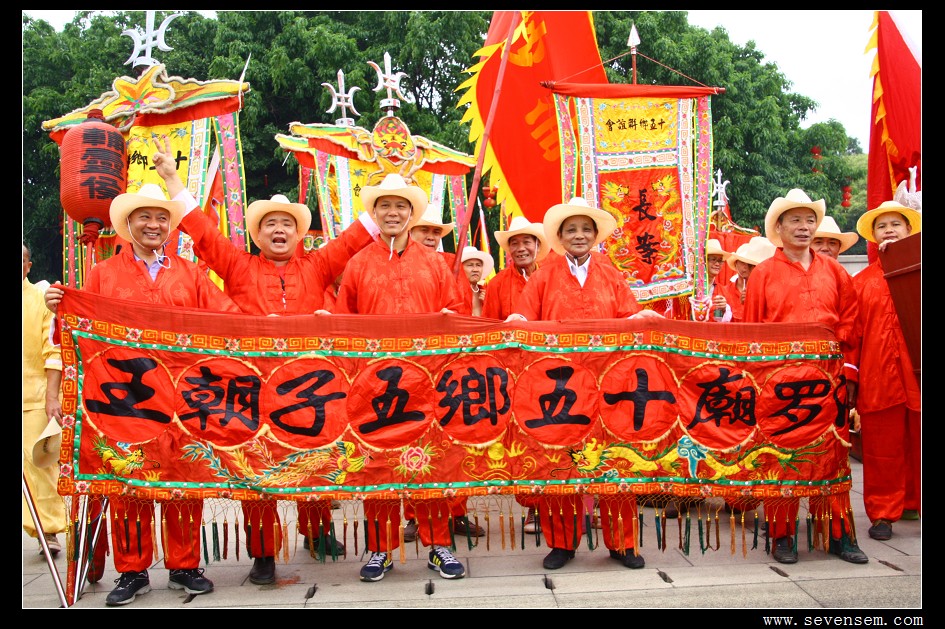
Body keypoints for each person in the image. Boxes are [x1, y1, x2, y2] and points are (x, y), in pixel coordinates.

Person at [150, 138, 378, 585]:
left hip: (308, 388)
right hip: (251, 391)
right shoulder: (238, 266)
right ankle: (263, 554)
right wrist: (173, 180)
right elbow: (203, 232)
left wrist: (390, 194)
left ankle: (318, 531)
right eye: (270, 224)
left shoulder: (317, 266)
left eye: (286, 224)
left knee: (315, 459)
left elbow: (353, 239)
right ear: (257, 235)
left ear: (298, 234)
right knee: (255, 469)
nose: (279, 230)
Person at [44, 183, 242, 605]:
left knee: (183, 477)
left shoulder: (190, 273)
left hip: (183, 397)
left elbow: (229, 319)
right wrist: (60, 308)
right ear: (128, 224)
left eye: (161, 218)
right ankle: (132, 571)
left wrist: (282, 327)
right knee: (128, 480)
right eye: (145, 217)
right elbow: (79, 333)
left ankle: (185, 565)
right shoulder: (103, 273)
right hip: (124, 399)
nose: (154, 225)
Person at [506, 196, 663, 571]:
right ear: (560, 237)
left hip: (608, 384)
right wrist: (515, 322)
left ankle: (623, 543)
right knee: (559, 462)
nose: (579, 235)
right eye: (571, 230)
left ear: (595, 236)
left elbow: (628, 316)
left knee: (614, 461)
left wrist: (643, 319)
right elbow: (524, 316)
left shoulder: (610, 273)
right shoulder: (545, 274)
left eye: (586, 229)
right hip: (558, 389)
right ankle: (561, 543)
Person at [332, 172, 467, 582]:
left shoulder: (436, 264)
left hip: (427, 383)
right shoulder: (358, 264)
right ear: (374, 213)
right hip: (374, 387)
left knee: (429, 465)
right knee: (378, 467)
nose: (393, 213)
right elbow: (343, 322)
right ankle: (380, 548)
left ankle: (439, 544)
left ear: (412, 213)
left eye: (400, 206)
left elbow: (456, 315)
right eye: (385, 206)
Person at [742, 188, 868, 565]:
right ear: (779, 228)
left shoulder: (835, 271)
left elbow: (852, 322)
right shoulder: (763, 274)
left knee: (832, 455)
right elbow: (752, 331)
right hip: (780, 381)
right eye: (795, 220)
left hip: (828, 379)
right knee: (782, 456)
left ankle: (838, 534)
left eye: (809, 220)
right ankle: (782, 535)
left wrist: (845, 371)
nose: (804, 227)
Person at [403, 212, 485, 540]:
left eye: (436, 231)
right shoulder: (402, 264)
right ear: (411, 231)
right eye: (424, 230)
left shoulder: (453, 263)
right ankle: (414, 514)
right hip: (411, 367)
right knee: (414, 440)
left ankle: (457, 511)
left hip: (450, 366)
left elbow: (464, 312)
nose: (430, 236)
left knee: (453, 443)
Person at [851, 201, 921, 540]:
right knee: (882, 450)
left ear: (909, 231)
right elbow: (853, 335)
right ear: (874, 236)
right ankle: (882, 513)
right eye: (882, 226)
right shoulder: (862, 282)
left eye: (896, 224)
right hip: (878, 377)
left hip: (917, 377)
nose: (889, 230)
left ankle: (912, 502)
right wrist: (852, 379)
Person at [480, 215, 550, 532]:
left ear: (537, 245)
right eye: (515, 243)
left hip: (551, 372)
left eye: (526, 241)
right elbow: (490, 331)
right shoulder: (497, 284)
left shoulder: (550, 277)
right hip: (514, 375)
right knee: (522, 442)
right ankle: (533, 506)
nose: (521, 248)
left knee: (557, 439)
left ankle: (569, 502)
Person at [22, 244, 68, 558]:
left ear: (28, 265)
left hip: (34, 396)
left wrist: (52, 396)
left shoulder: (40, 298)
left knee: (39, 466)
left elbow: (54, 349)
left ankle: (48, 529)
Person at [723, 237, 776, 322]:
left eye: (750, 264)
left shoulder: (770, 292)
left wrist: (753, 302)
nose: (745, 267)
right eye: (742, 262)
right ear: (736, 263)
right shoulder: (725, 291)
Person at [459, 245, 494, 317]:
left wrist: (489, 304)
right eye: (470, 265)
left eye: (478, 265)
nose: (475, 269)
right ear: (460, 268)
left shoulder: (487, 292)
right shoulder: (454, 292)